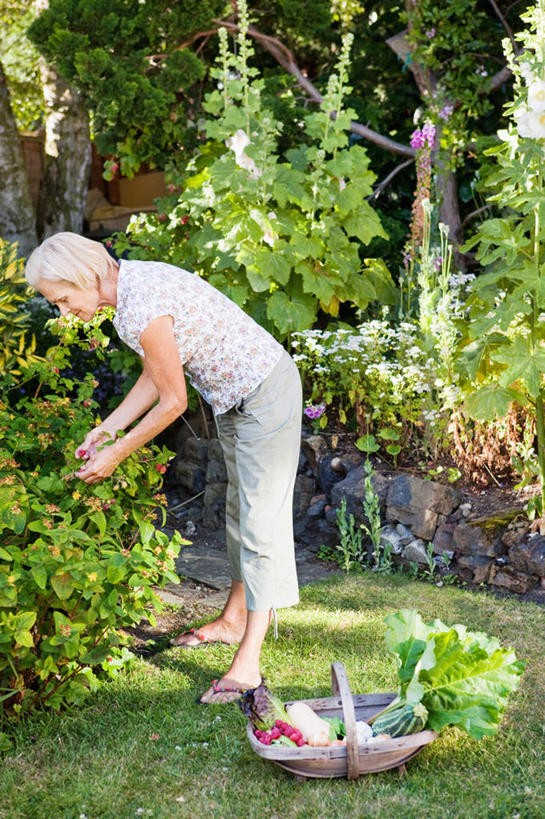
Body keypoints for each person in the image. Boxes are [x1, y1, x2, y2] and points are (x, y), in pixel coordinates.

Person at [25, 232, 302, 704]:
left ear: (84, 276)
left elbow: (174, 401)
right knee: (241, 513)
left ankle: (248, 666)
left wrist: (117, 453)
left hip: (265, 394)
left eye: (63, 299)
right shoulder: (129, 297)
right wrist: (106, 430)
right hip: (236, 398)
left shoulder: (143, 303)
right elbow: (155, 376)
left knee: (260, 525)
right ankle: (234, 620)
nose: (63, 311)